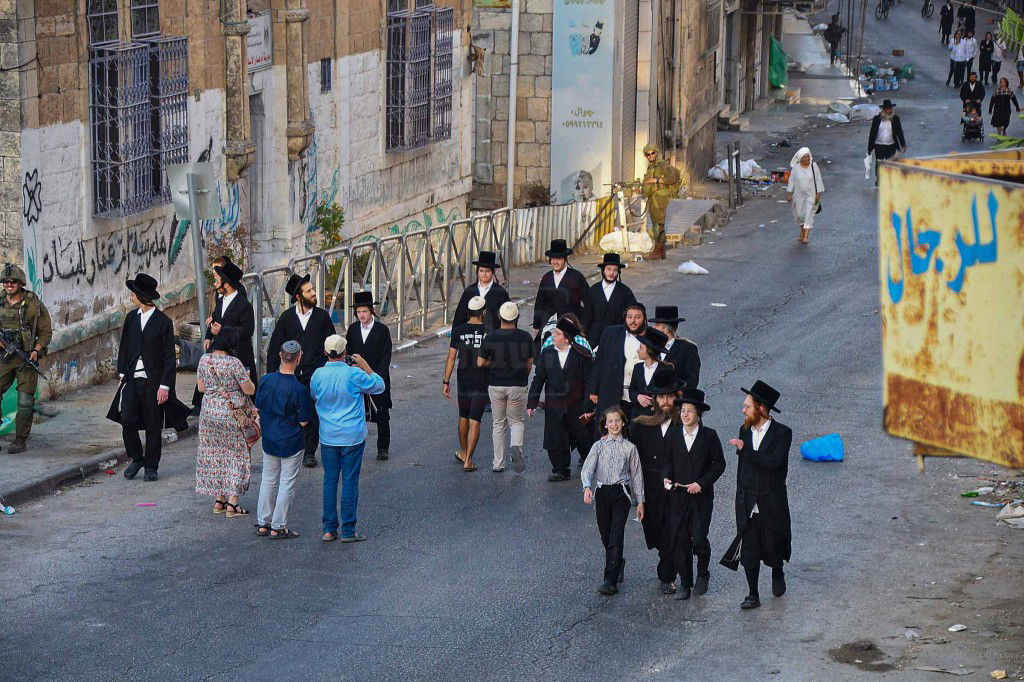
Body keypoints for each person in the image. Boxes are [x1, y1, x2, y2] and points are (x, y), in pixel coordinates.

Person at [109, 274, 189, 482]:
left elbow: (169, 357)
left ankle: (151, 465)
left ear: (142, 296)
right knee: (127, 418)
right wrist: (121, 373)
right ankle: (137, 457)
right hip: (131, 379)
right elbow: (124, 347)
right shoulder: (131, 318)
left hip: (153, 382)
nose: (130, 297)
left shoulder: (163, 322)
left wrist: (165, 386)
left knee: (154, 424)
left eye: (133, 294)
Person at [721, 381, 793, 610]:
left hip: (771, 500)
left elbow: (773, 463)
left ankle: (777, 569)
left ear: (761, 409)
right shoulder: (744, 431)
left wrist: (746, 450)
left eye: (748, 406)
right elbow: (744, 469)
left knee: (774, 542)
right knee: (749, 548)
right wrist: (740, 499)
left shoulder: (783, 433)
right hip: (748, 500)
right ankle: (753, 594)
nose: (743, 410)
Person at [310, 334, 385, 542]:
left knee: (329, 482)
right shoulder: (354, 374)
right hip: (352, 435)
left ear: (325, 352)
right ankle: (348, 530)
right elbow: (379, 385)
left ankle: (328, 528)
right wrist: (365, 365)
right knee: (350, 481)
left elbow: (315, 395)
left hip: (328, 436)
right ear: (345, 353)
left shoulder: (318, 374)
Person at [660, 388, 725, 600]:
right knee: (680, 540)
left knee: (698, 538)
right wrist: (666, 477)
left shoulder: (709, 436)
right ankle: (685, 583)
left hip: (700, 498)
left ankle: (703, 573)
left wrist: (701, 483)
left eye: (689, 411)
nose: (685, 414)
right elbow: (667, 461)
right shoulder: (673, 434)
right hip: (678, 496)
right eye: (683, 410)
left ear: (698, 414)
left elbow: (719, 465)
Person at [266, 273, 335, 468]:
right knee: (292, 412)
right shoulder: (287, 318)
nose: (313, 293)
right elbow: (274, 348)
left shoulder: (322, 317)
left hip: (316, 372)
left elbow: (331, 344)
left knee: (312, 412)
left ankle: (310, 451)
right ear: (299, 296)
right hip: (292, 375)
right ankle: (294, 448)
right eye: (309, 291)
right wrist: (272, 376)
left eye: (312, 289)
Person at [631, 369, 684, 593]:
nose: (664, 401)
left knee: (675, 531)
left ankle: (668, 575)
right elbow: (633, 459)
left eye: (669, 396)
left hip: (677, 487)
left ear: (676, 397)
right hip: (651, 489)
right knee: (657, 531)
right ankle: (668, 564)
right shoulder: (642, 425)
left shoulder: (684, 424)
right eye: (660, 397)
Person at [581, 406, 644, 596]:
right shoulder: (598, 446)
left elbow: (637, 475)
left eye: (617, 420)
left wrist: (640, 500)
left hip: (621, 494)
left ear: (623, 422)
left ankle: (610, 579)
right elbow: (588, 468)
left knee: (616, 537)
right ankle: (618, 561)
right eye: (610, 421)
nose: (614, 424)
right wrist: (586, 487)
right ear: (605, 424)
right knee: (605, 536)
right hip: (602, 493)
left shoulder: (630, 448)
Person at [195, 327, 257, 518]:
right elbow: (249, 390)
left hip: (209, 414)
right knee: (237, 456)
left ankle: (219, 500)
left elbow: (201, 387)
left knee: (216, 455)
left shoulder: (205, 359)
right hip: (231, 415)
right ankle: (233, 504)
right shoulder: (234, 363)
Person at [254, 341, 312, 540]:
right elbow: (304, 421)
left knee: (268, 480)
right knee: (286, 483)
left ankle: (263, 522)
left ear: (280, 355)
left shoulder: (266, 380)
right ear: (298, 358)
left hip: (270, 438)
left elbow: (258, 407)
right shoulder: (300, 389)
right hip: (291, 441)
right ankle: (278, 525)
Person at [528, 316, 596, 481]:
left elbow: (590, 382)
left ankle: (591, 464)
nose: (553, 336)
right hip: (555, 404)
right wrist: (532, 402)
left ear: (566, 338)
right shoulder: (547, 353)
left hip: (577, 404)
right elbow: (539, 378)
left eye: (557, 334)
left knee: (583, 436)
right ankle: (560, 469)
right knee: (556, 437)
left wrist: (588, 408)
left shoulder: (582, 354)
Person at [0, 263, 51, 453]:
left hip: (25, 357)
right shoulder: (0, 301)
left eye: (12, 282)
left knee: (24, 401)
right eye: (5, 282)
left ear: (20, 283)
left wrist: (36, 350)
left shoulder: (32, 304)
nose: (8, 285)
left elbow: (45, 332)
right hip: (4, 358)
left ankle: (20, 440)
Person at [480, 301, 534, 473]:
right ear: (517, 317)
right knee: (517, 421)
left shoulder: (491, 337)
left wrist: (492, 363)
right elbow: (529, 363)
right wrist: (522, 376)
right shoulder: (525, 337)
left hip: (496, 385)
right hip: (517, 385)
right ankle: (516, 447)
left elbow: (480, 362)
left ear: (499, 317)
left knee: (498, 424)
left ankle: (498, 463)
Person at [345, 291, 393, 461]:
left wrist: (376, 377)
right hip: (357, 379)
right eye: (358, 312)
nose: (361, 315)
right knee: (355, 413)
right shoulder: (352, 329)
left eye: (364, 311)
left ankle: (383, 449)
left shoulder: (382, 330)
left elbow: (386, 357)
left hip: (377, 377)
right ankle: (353, 446)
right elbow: (349, 353)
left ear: (371, 311)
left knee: (382, 414)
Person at [443, 295, 489, 472]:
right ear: (483, 311)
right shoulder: (490, 331)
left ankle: (463, 451)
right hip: (482, 379)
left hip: (463, 379)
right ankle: (468, 459)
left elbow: (451, 357)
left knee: (463, 416)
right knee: (475, 419)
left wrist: (446, 381)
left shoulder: (459, 330)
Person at [588, 303, 647, 418]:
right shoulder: (610, 333)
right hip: (611, 394)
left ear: (644, 318)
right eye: (629, 317)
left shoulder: (651, 337)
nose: (633, 321)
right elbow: (599, 362)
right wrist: (594, 390)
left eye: (637, 317)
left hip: (639, 396)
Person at [204, 259, 256, 384]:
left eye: (217, 281)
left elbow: (247, 331)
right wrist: (209, 335)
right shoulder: (222, 300)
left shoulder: (244, 305)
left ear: (226, 284)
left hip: (238, 356)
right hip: (220, 355)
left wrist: (222, 331)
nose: (215, 285)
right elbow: (217, 317)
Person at [532, 239, 588, 345]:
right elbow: (540, 303)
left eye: (558, 258)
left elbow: (588, 302)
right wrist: (536, 325)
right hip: (549, 325)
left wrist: (584, 325)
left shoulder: (576, 277)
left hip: (571, 325)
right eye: (552, 258)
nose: (555, 262)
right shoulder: (546, 278)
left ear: (565, 259)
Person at [580, 252, 636, 347]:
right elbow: (587, 316)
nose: (611, 273)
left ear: (618, 272)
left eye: (615, 270)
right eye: (608, 269)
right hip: (595, 338)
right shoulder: (593, 290)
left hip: (618, 337)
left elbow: (632, 314)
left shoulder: (625, 291)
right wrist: (584, 335)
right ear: (603, 270)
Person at [640, 144, 682, 260]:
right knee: (657, 223)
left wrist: (657, 180)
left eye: (652, 153)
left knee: (658, 225)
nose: (650, 156)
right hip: (653, 198)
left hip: (659, 198)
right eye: (648, 154)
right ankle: (661, 250)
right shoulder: (652, 166)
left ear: (656, 153)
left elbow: (672, 178)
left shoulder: (662, 165)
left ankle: (658, 251)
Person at [451, 251, 510, 330]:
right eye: (481, 271)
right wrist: (456, 338)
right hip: (471, 336)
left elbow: (509, 317)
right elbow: (459, 316)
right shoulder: (470, 291)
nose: (484, 274)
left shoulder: (500, 292)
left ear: (493, 272)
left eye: (488, 271)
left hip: (493, 338)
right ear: (477, 272)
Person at [648, 306, 700, 391]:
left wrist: (682, 400)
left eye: (657, 325)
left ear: (665, 330)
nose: (653, 327)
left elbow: (692, 379)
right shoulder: (651, 348)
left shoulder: (687, 349)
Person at [627, 326, 670, 420]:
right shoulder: (637, 368)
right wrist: (638, 397)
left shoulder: (665, 369)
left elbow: (669, 394)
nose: (637, 350)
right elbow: (632, 390)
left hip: (658, 416)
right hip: (639, 416)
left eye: (641, 348)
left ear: (649, 351)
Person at [786, 147, 824, 245]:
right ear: (800, 159)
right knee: (799, 214)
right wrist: (789, 193)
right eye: (804, 157)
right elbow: (791, 181)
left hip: (811, 195)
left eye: (808, 156)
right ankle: (802, 230)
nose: (807, 159)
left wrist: (818, 192)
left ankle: (806, 235)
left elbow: (818, 179)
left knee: (808, 213)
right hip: (798, 195)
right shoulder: (796, 169)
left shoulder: (813, 166)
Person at [867, 100, 907, 188]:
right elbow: (872, 133)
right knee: (879, 164)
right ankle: (879, 179)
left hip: (891, 145)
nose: (889, 111)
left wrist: (903, 145)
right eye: (887, 109)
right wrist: (869, 148)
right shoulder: (876, 119)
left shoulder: (895, 119)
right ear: (884, 110)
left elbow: (899, 132)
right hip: (879, 145)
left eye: (891, 109)